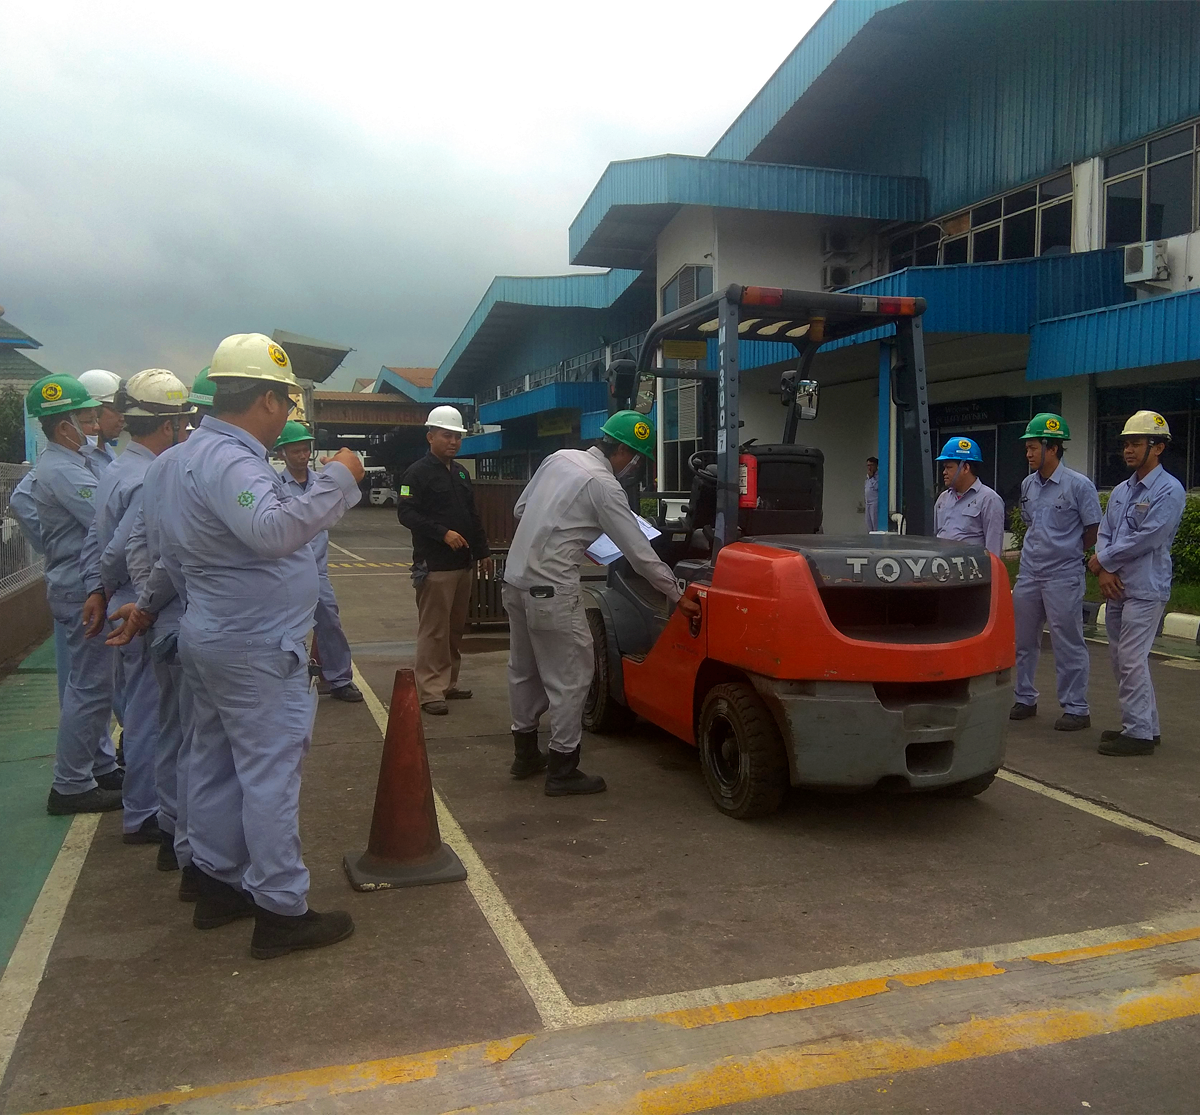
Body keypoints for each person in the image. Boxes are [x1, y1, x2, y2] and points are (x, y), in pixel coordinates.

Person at [161, 333, 363, 958]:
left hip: (213, 633)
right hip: (254, 646)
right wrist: (337, 479)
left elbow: (168, 551)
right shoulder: (233, 462)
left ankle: (215, 881)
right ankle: (280, 907)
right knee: (270, 774)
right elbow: (274, 531)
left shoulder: (181, 459)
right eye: (288, 405)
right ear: (271, 401)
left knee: (214, 762)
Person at [503, 411, 701, 795]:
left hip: (515, 581)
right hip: (552, 588)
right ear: (623, 452)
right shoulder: (605, 486)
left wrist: (571, 531)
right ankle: (563, 768)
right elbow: (640, 554)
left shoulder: (557, 458)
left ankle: (525, 753)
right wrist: (677, 594)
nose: (635, 466)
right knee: (573, 674)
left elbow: (521, 511)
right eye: (637, 457)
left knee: (524, 669)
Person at [81, 369, 194, 846]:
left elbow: (96, 537)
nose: (188, 433)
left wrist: (99, 590)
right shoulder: (150, 474)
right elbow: (121, 548)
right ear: (168, 426)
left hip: (126, 599)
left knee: (144, 713)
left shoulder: (116, 467)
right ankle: (145, 812)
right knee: (155, 718)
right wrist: (123, 596)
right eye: (184, 424)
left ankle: (145, 806)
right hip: (142, 603)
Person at [115, 367, 216, 891]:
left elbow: (134, 545)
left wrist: (143, 605)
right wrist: (153, 605)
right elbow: (175, 554)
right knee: (202, 744)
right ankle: (193, 856)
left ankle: (172, 836)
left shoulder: (156, 470)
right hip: (188, 619)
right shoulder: (195, 469)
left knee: (173, 733)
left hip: (161, 620)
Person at [26, 374, 123, 814]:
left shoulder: (76, 461)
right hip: (77, 590)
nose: (90, 422)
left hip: (78, 586)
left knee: (96, 688)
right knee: (89, 689)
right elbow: (105, 520)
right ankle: (69, 785)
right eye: (82, 417)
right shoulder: (62, 471)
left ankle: (99, 765)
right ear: (62, 424)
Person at [1089, 411, 1186, 757]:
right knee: (1121, 659)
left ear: (1158, 447)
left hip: (1146, 587)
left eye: (1136, 443)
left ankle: (1139, 733)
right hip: (1116, 586)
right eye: (1126, 443)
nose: (1128, 450)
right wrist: (1103, 569)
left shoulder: (1169, 490)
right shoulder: (1120, 491)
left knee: (1131, 658)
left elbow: (1150, 537)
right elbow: (1105, 532)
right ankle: (1146, 725)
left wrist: (1105, 560)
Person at [397, 405, 491, 716]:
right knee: (434, 631)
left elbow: (473, 516)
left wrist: (483, 552)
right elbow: (407, 513)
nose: (453, 442)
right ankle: (430, 691)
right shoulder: (416, 473)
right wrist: (442, 534)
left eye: (457, 437)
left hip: (462, 565)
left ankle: (448, 682)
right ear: (430, 436)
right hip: (435, 565)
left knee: (453, 629)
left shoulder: (461, 472)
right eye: (447, 436)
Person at [1010, 413, 1102, 731]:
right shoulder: (1028, 485)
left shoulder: (1079, 486)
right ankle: (1024, 697)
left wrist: (1070, 550)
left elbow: (1093, 529)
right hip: (1029, 574)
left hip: (1063, 575)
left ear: (1052, 448)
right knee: (1023, 641)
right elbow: (1030, 523)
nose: (1029, 453)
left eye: (1034, 447)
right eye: (1027, 448)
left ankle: (1076, 708)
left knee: (1067, 641)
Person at [274, 420, 363, 702]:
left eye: (304, 450)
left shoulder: (322, 482)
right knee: (284, 630)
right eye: (295, 451)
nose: (301, 456)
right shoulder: (274, 485)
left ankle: (339, 679)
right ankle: (287, 683)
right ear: (282, 454)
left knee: (329, 623)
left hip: (318, 571)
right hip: (286, 572)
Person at [10, 465, 73, 705]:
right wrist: (56, 546)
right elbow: (21, 501)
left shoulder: (102, 458)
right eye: (88, 423)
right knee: (79, 679)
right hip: (74, 581)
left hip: (106, 580)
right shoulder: (57, 464)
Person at [933, 437, 1005, 556]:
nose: (944, 472)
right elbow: (936, 536)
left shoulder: (989, 499)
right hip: (943, 570)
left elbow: (993, 549)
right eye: (944, 467)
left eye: (949, 467)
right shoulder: (943, 499)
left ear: (966, 468)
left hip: (972, 571)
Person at [77, 369, 125, 470]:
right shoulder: (77, 458)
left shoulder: (106, 449)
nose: (122, 418)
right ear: (94, 410)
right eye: (116, 409)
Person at [864, 457, 879, 531]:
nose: (869, 467)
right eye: (868, 465)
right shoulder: (868, 476)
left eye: (871, 465)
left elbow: (877, 487)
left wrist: (872, 478)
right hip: (868, 503)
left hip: (874, 502)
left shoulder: (878, 476)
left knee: (875, 523)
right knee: (868, 523)